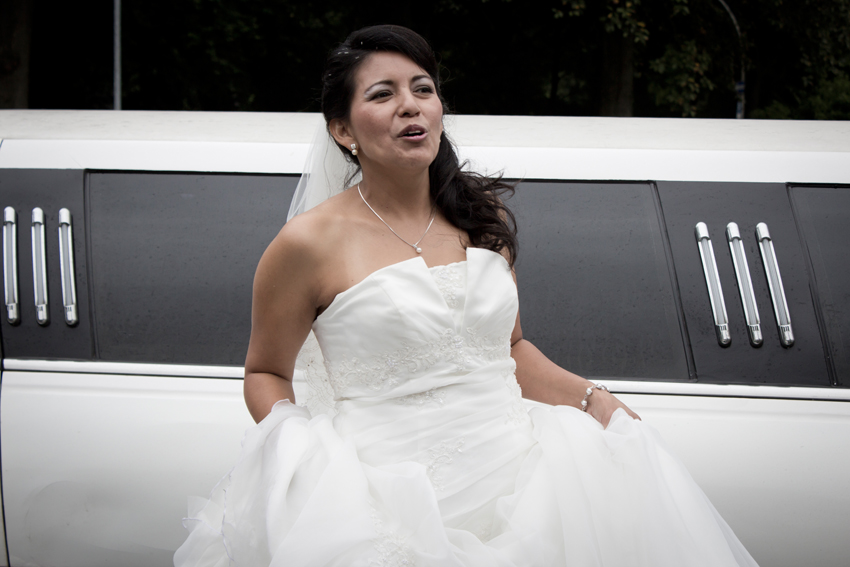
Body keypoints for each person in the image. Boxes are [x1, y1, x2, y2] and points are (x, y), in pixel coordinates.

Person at [175, 25, 759, 567]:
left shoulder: (481, 216)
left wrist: (593, 400)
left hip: (528, 484)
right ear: (343, 131)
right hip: (385, 499)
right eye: (382, 94)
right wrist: (299, 454)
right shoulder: (306, 243)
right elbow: (266, 372)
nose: (410, 105)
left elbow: (512, 351)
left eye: (422, 89)